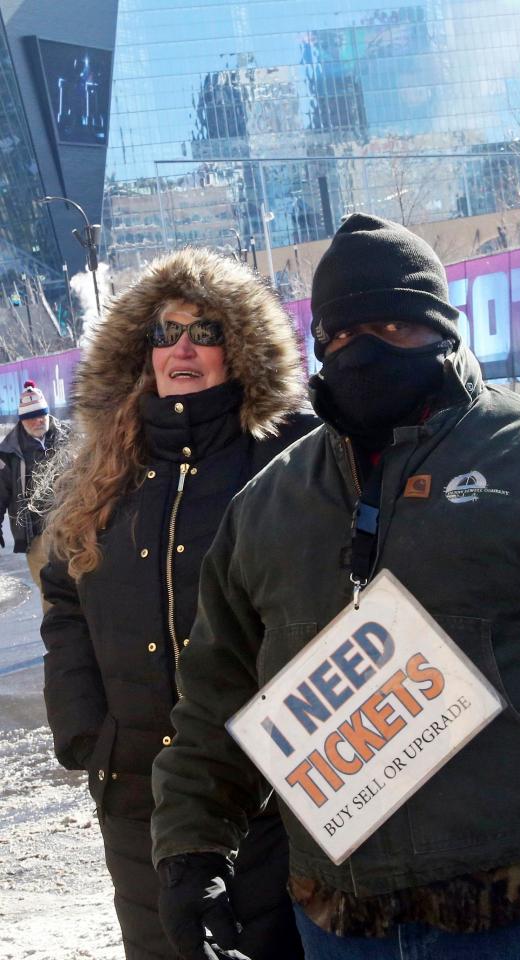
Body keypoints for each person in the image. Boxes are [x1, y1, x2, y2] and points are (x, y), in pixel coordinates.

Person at [150, 215, 520, 960]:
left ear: (442, 329)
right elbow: (216, 694)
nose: (365, 351)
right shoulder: (270, 505)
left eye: (393, 325)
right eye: (343, 337)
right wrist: (191, 851)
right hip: (346, 924)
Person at [40, 247, 315, 960]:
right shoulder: (106, 467)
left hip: (266, 792)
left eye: (204, 331)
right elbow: (64, 595)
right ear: (141, 353)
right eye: (165, 333)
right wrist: (84, 727)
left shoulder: (290, 455)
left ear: (241, 348)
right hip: (137, 790)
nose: (182, 347)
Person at [0, 380, 65, 608]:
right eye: (31, 416)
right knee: (53, 598)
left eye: (42, 414)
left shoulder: (68, 439)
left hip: (72, 528)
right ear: (21, 419)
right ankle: (61, 643)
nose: (38, 420)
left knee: (84, 589)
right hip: (36, 536)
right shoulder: (9, 452)